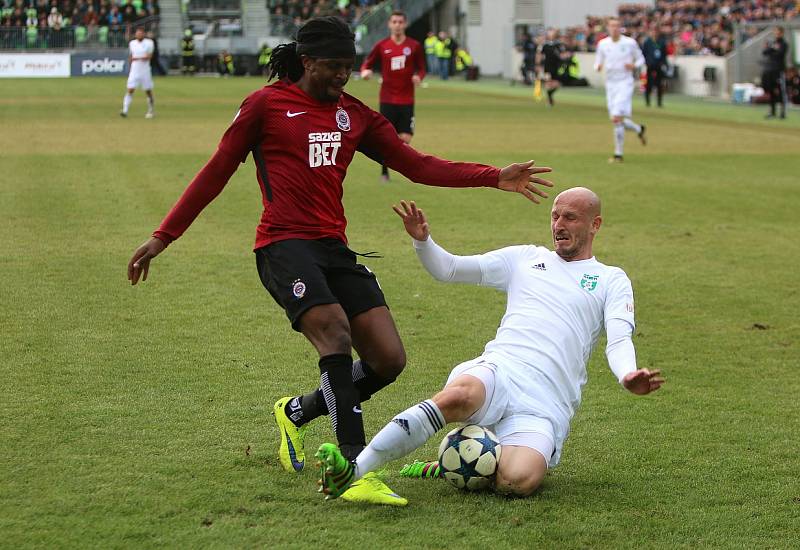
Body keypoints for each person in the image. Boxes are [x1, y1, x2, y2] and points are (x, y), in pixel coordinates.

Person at [126, 16, 553, 507]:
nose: (342, 77)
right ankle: (352, 466)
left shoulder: (354, 114)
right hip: (283, 245)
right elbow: (216, 171)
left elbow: (415, 164)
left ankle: (297, 412)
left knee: (388, 360)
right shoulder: (266, 105)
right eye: (333, 67)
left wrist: (492, 176)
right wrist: (163, 236)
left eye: (348, 68)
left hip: (333, 248)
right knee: (334, 333)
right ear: (306, 62)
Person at [316, 189, 665, 502]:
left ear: (595, 224)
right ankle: (356, 469)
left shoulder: (611, 279)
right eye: (555, 215)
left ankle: (457, 457)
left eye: (570, 217)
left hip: (546, 402)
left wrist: (627, 374)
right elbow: (450, 269)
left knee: (515, 482)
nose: (559, 224)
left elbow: (619, 339)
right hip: (502, 369)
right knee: (458, 396)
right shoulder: (525, 258)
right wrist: (424, 242)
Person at [359, 10, 426, 182]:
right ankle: (384, 171)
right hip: (387, 99)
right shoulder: (382, 45)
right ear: (389, 24)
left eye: (400, 22)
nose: (397, 25)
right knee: (387, 137)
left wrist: (419, 76)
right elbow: (368, 62)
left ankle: (395, 162)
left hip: (407, 99)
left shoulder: (413, 46)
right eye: (394, 22)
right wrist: (365, 71)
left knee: (405, 138)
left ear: (405, 24)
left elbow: (422, 67)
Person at [594, 18, 646, 163]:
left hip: (625, 83)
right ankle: (639, 129)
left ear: (621, 27)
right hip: (610, 85)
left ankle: (618, 154)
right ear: (608, 28)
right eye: (612, 26)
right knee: (615, 120)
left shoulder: (629, 43)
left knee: (616, 117)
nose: (615, 28)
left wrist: (634, 66)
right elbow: (598, 60)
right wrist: (598, 66)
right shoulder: (603, 44)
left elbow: (641, 59)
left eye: (617, 26)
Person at [120, 26, 155, 119]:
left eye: (140, 33)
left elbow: (149, 56)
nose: (139, 35)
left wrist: (137, 58)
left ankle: (151, 110)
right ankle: (125, 110)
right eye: (137, 33)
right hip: (134, 71)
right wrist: (132, 60)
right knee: (130, 89)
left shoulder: (149, 43)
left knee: (148, 91)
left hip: (145, 71)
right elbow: (131, 56)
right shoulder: (132, 43)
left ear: (143, 34)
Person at [761, 26, 788, 120]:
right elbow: (764, 52)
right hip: (770, 70)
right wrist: (772, 48)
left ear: (781, 33)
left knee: (781, 91)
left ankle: (783, 112)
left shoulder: (784, 44)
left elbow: (780, 54)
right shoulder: (773, 43)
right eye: (775, 32)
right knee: (771, 91)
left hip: (779, 70)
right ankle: (772, 112)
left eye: (778, 32)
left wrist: (771, 50)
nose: (776, 34)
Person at [537, 28, 567, 106]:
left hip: (557, 66)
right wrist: (538, 64)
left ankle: (550, 94)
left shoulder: (559, 45)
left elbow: (563, 55)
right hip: (548, 66)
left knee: (557, 83)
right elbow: (540, 55)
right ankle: (549, 100)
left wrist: (563, 58)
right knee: (548, 82)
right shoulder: (545, 45)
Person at [642, 27, 668, 108]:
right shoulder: (647, 42)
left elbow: (664, 55)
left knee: (659, 84)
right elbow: (644, 53)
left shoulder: (662, 42)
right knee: (648, 84)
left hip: (658, 66)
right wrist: (646, 62)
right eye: (653, 31)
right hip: (650, 66)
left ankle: (659, 102)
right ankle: (647, 102)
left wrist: (664, 64)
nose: (654, 33)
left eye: (655, 32)